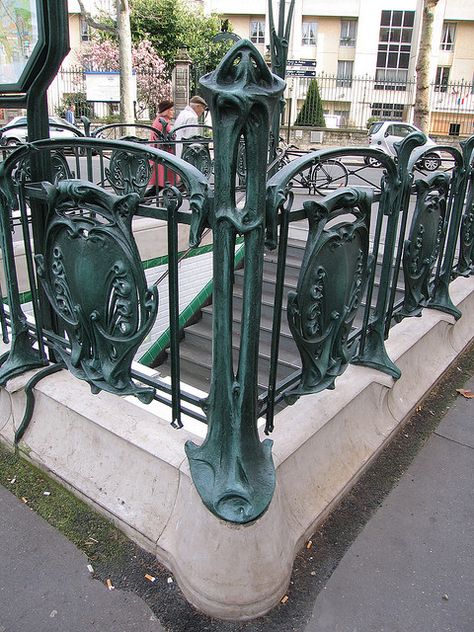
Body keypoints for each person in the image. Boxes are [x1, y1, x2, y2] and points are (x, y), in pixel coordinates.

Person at [146, 99, 176, 196]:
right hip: (162, 156)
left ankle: (145, 202)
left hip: (162, 155)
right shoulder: (162, 122)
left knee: (162, 184)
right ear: (166, 111)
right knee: (161, 184)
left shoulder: (161, 120)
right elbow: (171, 137)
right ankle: (142, 202)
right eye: (171, 110)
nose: (173, 112)